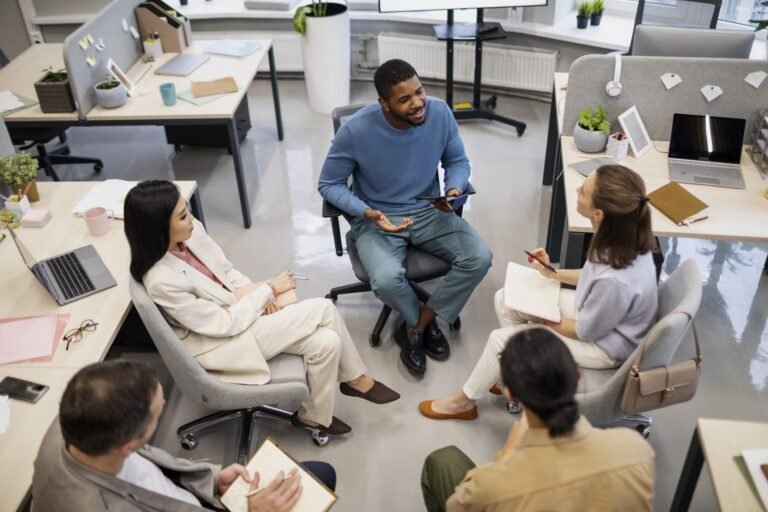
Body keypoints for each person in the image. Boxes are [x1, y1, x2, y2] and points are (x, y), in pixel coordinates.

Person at [124, 180, 399, 436]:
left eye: (189, 211)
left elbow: (227, 272)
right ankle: (356, 379)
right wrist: (268, 290)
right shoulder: (162, 281)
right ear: (158, 228)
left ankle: (313, 417)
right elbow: (222, 325)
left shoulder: (192, 235)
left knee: (326, 342)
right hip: (220, 342)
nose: (193, 219)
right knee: (324, 309)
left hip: (237, 314)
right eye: (183, 216)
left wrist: (259, 295)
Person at [420, 164, 658, 419]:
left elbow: (586, 331)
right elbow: (593, 276)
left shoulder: (616, 281)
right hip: (596, 315)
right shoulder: (622, 236)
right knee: (505, 299)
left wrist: (542, 318)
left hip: (603, 346)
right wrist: (551, 273)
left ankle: (463, 403)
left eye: (584, 192)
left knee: (502, 342)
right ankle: (511, 379)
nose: (577, 189)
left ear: (598, 213)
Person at [318, 58, 492, 376]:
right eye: (404, 99)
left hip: (428, 210)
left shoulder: (439, 113)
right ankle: (418, 323)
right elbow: (328, 184)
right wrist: (365, 212)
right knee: (384, 280)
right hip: (379, 218)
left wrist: (453, 188)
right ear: (384, 103)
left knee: (479, 257)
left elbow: (458, 160)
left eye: (419, 92)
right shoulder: (356, 131)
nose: (417, 104)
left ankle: (418, 325)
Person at [32, 360, 337, 512]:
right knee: (319, 480)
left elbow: (151, 466)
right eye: (157, 415)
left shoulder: (75, 420)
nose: (165, 407)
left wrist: (212, 478)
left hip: (194, 498)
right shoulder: (98, 505)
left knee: (317, 476)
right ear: (128, 446)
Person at [421, 328, 655, 511]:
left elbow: (457, 507)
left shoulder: (491, 485)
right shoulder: (638, 451)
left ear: (509, 392)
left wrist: (507, 455)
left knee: (442, 459)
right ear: (578, 374)